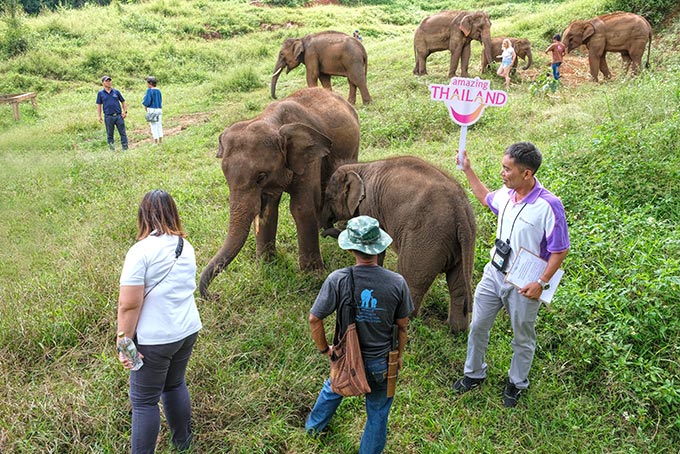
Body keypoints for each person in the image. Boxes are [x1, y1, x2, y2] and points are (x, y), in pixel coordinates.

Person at [453, 142, 570, 408]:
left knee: (522, 336)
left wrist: (541, 283)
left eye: (507, 169)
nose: (502, 173)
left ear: (527, 173)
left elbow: (560, 250)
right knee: (478, 325)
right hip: (493, 273)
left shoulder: (549, 206)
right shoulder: (507, 194)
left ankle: (517, 383)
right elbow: (485, 198)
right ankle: (474, 374)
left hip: (523, 284)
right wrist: (468, 170)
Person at [306, 216, 414, 453]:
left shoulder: (338, 279)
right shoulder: (397, 283)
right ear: (380, 246)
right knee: (378, 413)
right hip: (382, 363)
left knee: (333, 387)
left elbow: (315, 318)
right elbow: (403, 326)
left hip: (346, 358)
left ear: (351, 247)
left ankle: (312, 430)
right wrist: (398, 358)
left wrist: (326, 350)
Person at [117, 189, 202, 453]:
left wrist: (123, 341)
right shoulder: (185, 246)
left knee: (144, 401)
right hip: (187, 331)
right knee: (175, 383)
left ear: (143, 216)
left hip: (155, 340)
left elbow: (128, 304)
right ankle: (182, 442)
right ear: (173, 213)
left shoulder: (140, 251)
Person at [96, 75, 129, 151]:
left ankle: (125, 148)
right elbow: (99, 104)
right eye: (106, 81)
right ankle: (112, 149)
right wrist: (99, 116)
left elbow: (123, 101)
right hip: (108, 117)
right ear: (102, 83)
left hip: (118, 116)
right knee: (110, 134)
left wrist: (125, 111)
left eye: (109, 81)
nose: (108, 82)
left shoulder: (116, 92)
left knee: (123, 133)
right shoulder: (100, 93)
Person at [142, 76, 163, 145]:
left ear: (150, 83)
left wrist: (145, 106)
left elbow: (147, 101)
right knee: (159, 125)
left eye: (147, 83)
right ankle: (160, 140)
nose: (146, 84)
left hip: (152, 109)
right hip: (159, 109)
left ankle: (155, 141)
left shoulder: (149, 90)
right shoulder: (158, 90)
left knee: (153, 126)